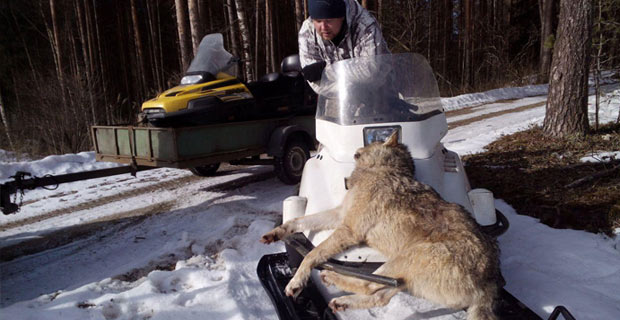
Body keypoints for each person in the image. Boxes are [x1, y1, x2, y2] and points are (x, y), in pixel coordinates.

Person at [298, 0, 390, 93]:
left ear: (341, 17)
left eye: (329, 21)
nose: (323, 27)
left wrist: (327, 71)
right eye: (318, 21)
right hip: (335, 94)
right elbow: (313, 78)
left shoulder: (365, 26)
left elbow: (369, 69)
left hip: (378, 89)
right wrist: (346, 90)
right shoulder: (308, 31)